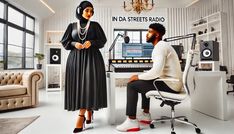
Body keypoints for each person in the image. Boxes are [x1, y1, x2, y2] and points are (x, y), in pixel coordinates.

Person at [116, 23, 183, 132]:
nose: (146, 34)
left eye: (149, 32)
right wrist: (142, 77)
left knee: (132, 85)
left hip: (171, 85)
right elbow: (158, 71)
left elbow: (156, 72)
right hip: (172, 83)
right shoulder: (162, 45)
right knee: (144, 79)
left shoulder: (159, 47)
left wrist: (137, 76)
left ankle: (131, 121)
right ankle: (145, 115)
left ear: (156, 35)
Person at [60, 1, 107, 133]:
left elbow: (102, 41)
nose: (90, 13)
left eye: (92, 11)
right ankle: (89, 111)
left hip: (92, 59)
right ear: (80, 10)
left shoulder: (95, 25)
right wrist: (75, 44)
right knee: (79, 86)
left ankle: (81, 116)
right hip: (75, 59)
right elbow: (65, 41)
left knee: (89, 85)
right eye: (87, 10)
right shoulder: (72, 26)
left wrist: (91, 42)